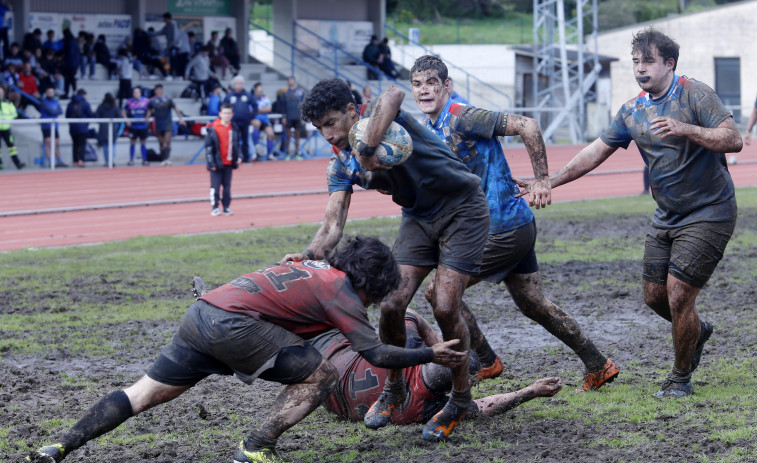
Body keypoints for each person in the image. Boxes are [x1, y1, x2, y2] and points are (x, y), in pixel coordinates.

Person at [27, 237, 465, 463]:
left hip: (202, 314)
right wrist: (432, 355)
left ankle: (61, 446)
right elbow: (377, 355)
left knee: (143, 394)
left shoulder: (311, 266)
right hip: (230, 325)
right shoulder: (343, 291)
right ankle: (256, 445)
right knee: (324, 374)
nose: (368, 305)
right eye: (374, 297)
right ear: (368, 283)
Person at [517, 28, 742, 398]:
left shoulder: (694, 93)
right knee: (654, 297)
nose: (640, 68)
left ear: (669, 63)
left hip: (710, 211)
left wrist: (684, 128)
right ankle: (696, 331)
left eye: (648, 61)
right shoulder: (632, 110)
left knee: (679, 296)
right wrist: (547, 181)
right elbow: (593, 152)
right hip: (667, 215)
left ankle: (680, 378)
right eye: (636, 61)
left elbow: (732, 139)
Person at [287, 78, 490, 442]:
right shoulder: (340, 165)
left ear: (353, 111)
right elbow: (333, 225)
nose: (327, 134)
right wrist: (309, 257)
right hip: (418, 217)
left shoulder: (384, 119)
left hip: (463, 209)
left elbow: (395, 92)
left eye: (332, 122)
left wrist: (366, 147)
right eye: (319, 129)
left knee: (445, 306)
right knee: (392, 304)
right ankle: (393, 389)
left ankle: (459, 400)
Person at [409, 55, 619, 393]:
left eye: (432, 83)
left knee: (439, 292)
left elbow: (528, 125)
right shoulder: (431, 126)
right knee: (534, 304)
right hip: (512, 226)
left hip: (502, 229)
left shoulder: (463, 117)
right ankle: (598, 365)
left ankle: (486, 360)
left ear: (446, 86)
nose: (424, 90)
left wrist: (542, 181)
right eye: (417, 84)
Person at [193, 276, 563, 425]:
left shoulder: (419, 367)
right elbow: (481, 407)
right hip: (331, 400)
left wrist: (444, 347)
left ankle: (225, 307)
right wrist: (529, 392)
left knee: (300, 318)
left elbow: (408, 320)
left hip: (330, 356)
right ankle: (226, 321)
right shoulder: (430, 411)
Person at [206, 102, 240, 216]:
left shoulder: (233, 128)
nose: (227, 115)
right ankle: (215, 207)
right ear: (220, 114)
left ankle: (226, 206)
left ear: (232, 114)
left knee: (227, 187)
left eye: (229, 113)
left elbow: (236, 144)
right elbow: (209, 148)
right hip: (216, 162)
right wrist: (212, 163)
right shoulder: (213, 128)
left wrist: (238, 156)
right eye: (225, 113)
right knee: (215, 187)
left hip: (229, 162)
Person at [147, 83, 185, 166]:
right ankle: (163, 158)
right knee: (161, 143)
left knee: (167, 141)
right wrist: (146, 119)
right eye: (157, 90)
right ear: (155, 91)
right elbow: (149, 110)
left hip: (167, 123)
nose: (158, 91)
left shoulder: (168, 100)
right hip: (158, 124)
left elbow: (175, 109)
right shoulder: (153, 101)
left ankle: (167, 158)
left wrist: (181, 118)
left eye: (160, 90)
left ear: (162, 90)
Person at [222, 75, 256, 162]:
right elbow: (223, 106)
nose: (239, 85)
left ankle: (246, 158)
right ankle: (235, 158)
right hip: (233, 122)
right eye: (237, 83)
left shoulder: (248, 95)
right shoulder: (229, 96)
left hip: (245, 122)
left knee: (246, 141)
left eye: (241, 83)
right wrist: (226, 117)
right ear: (234, 85)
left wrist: (251, 116)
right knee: (234, 140)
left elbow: (255, 105)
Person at [66, 88, 94, 167]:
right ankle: (81, 160)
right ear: (83, 95)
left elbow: (67, 115)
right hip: (83, 127)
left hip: (73, 127)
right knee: (82, 144)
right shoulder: (85, 103)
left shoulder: (71, 103)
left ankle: (75, 161)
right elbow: (90, 115)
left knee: (75, 144)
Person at [122, 86, 150, 166]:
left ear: (140, 93)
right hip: (133, 126)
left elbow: (150, 110)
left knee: (143, 143)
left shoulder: (145, 101)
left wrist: (147, 117)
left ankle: (144, 160)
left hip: (143, 126)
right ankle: (131, 160)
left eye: (137, 92)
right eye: (134, 92)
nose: (136, 94)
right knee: (132, 142)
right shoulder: (129, 101)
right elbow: (123, 111)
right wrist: (126, 120)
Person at [39, 86, 66, 167]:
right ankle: (50, 161)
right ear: (46, 93)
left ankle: (59, 161)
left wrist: (54, 111)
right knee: (48, 142)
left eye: (52, 92)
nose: (51, 93)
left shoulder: (55, 101)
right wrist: (55, 111)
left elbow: (60, 111)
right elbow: (50, 111)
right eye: (49, 92)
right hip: (46, 125)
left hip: (55, 125)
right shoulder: (44, 102)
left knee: (56, 143)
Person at [0, 86, 25, 170]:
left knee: (12, 147)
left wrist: (7, 119)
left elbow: (14, 114)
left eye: (1, 93)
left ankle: (17, 163)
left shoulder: (8, 103)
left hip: (6, 129)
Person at [281, 76, 305, 159]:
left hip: (297, 116)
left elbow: (303, 104)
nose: (291, 81)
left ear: (294, 81)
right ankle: (287, 153)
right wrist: (283, 116)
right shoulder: (285, 93)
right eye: (289, 80)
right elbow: (283, 106)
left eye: (292, 80)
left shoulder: (300, 92)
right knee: (287, 135)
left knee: (297, 136)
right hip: (288, 116)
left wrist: (302, 116)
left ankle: (297, 153)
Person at [94, 93, 121, 167]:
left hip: (103, 128)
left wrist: (102, 123)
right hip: (112, 128)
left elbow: (97, 117)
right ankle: (111, 160)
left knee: (105, 146)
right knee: (112, 145)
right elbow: (119, 117)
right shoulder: (115, 107)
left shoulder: (101, 106)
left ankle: (107, 161)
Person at [251, 82, 276, 160]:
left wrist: (258, 110)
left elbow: (269, 109)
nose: (261, 91)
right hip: (255, 120)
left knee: (270, 133)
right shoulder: (251, 98)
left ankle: (270, 154)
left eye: (261, 90)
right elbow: (250, 111)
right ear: (255, 90)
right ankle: (255, 147)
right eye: (259, 90)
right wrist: (262, 110)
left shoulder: (265, 98)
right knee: (257, 124)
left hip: (265, 120)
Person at [61, 25, 80, 99]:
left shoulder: (68, 41)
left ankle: (69, 93)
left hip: (70, 63)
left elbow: (69, 53)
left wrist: (63, 58)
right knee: (71, 79)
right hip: (74, 63)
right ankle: (72, 93)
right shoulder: (73, 40)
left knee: (69, 79)